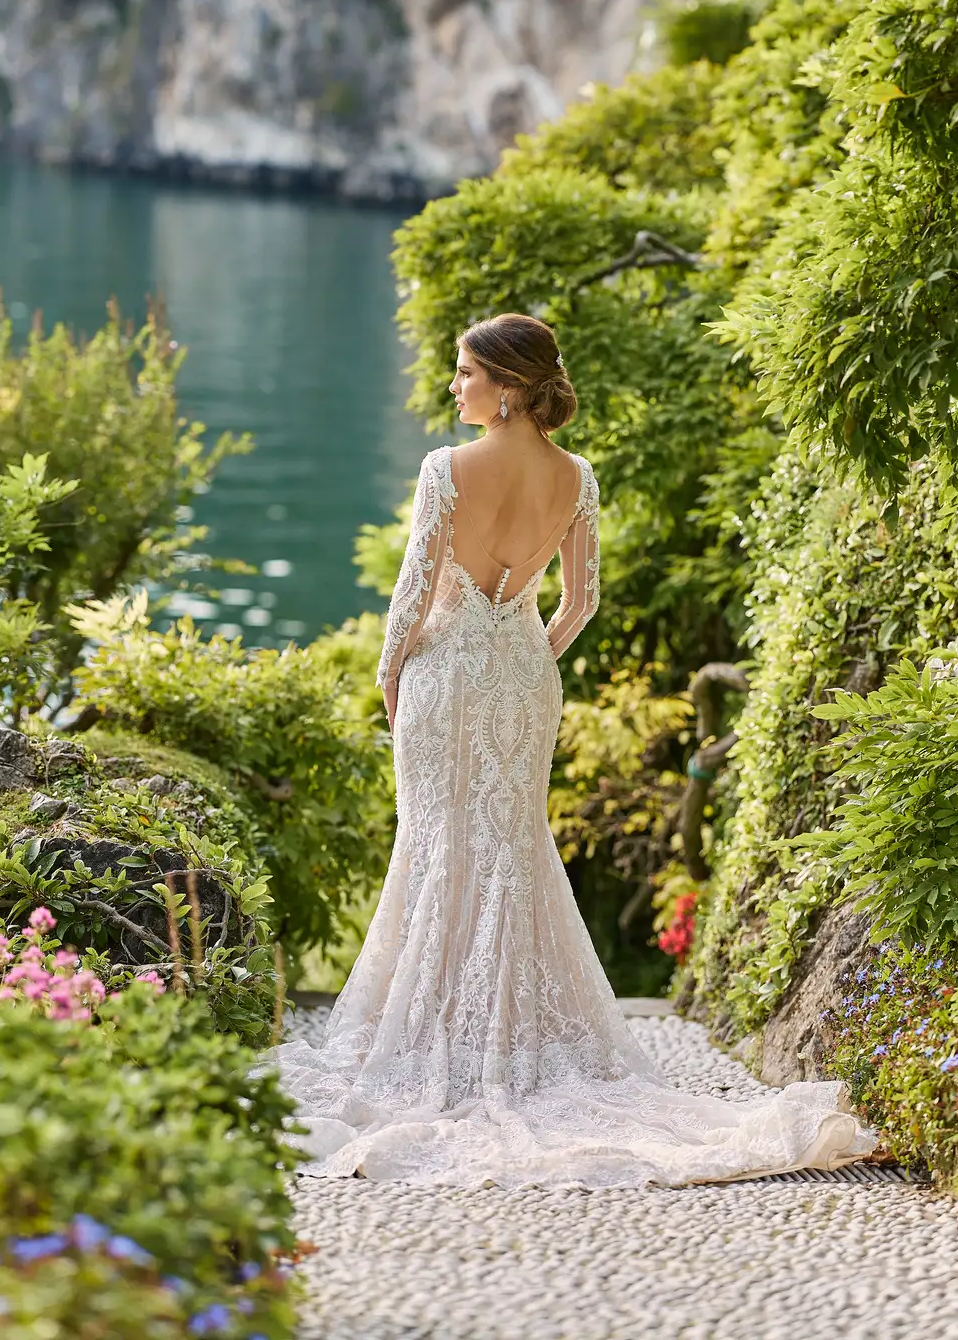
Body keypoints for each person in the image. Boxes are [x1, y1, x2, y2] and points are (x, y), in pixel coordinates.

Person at [275, 313, 874, 1186]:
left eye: (465, 373)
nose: (454, 387)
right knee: (512, 845)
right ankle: (515, 1038)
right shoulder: (578, 477)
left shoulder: (444, 470)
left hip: (445, 675)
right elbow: (580, 602)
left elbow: (409, 602)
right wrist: (527, 659)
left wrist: (389, 676)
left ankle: (439, 1034)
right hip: (523, 675)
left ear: (507, 386)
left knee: (439, 842)